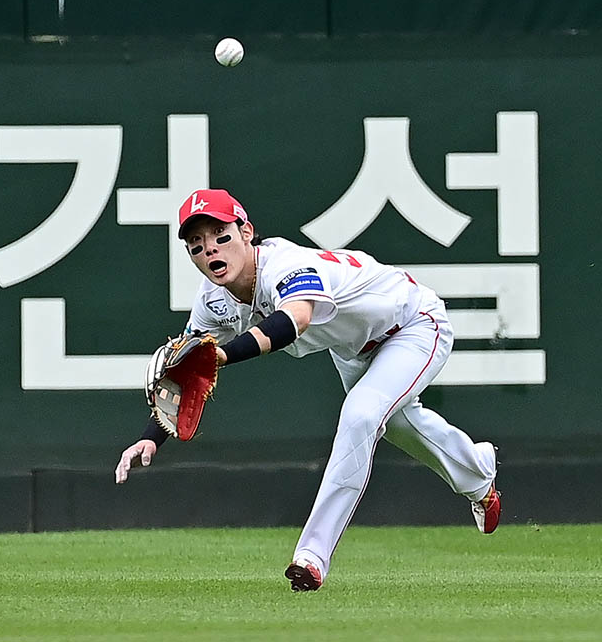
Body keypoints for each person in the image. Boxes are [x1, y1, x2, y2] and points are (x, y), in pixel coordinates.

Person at [114, 188, 500, 592]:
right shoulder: (213, 300)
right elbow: (186, 371)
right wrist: (152, 435)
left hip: (413, 324)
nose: (210, 249)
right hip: (353, 350)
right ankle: (478, 472)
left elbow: (294, 319)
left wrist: (223, 355)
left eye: (221, 236)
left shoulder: (284, 263)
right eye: (197, 244)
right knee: (403, 425)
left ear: (246, 232)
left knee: (360, 417)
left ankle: (311, 557)